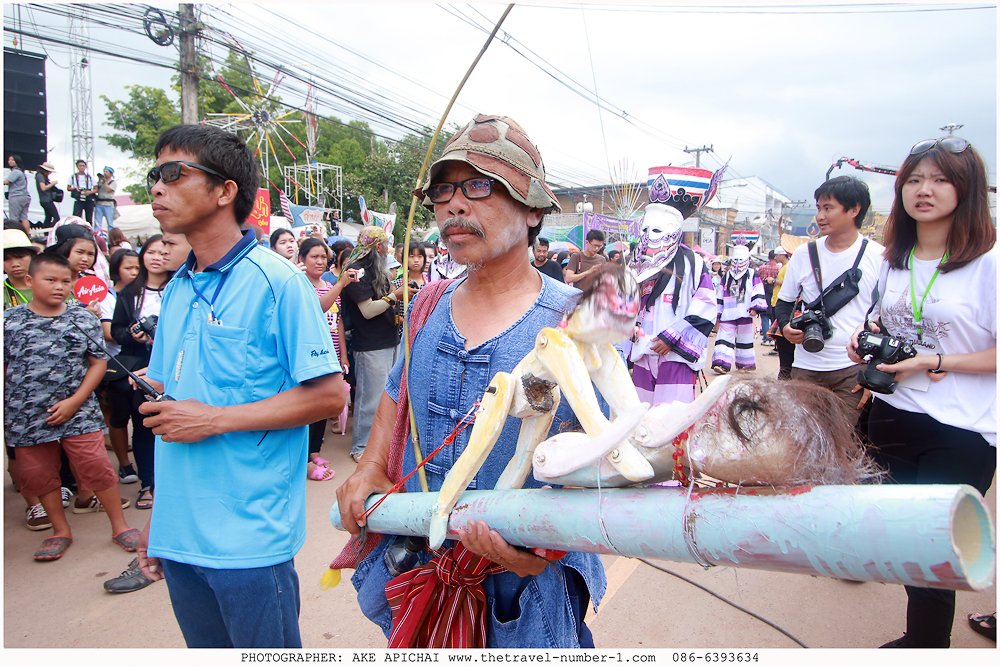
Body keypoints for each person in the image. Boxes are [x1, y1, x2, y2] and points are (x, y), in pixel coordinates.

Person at [335, 114, 605, 649]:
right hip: (421, 569)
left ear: (533, 210)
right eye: (443, 191)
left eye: (480, 186)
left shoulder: (577, 321)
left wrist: (540, 549)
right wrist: (369, 466)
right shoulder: (427, 303)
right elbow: (396, 393)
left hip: (523, 592)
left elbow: (604, 455)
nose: (455, 205)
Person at [134, 124, 345, 648]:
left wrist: (213, 419)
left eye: (173, 173)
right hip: (180, 535)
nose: (157, 187)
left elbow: (329, 395)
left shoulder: (280, 282)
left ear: (225, 190)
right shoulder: (177, 288)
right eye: (154, 175)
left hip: (250, 538)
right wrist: (160, 522)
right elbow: (168, 408)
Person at [846, 137, 996, 649]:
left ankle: (928, 645)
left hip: (960, 429)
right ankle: (922, 638)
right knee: (905, 539)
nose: (923, 190)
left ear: (967, 189)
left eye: (939, 179)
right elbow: (884, 324)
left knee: (935, 547)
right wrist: (863, 340)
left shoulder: (989, 264)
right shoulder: (894, 261)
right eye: (913, 180)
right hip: (892, 414)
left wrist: (935, 360)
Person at [4, 252, 139, 561]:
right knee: (39, 474)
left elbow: (98, 363)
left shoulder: (82, 318)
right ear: (30, 280)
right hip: (26, 415)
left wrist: (75, 401)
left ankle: (119, 526)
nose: (59, 287)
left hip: (79, 412)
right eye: (50, 280)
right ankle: (60, 530)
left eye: (66, 281)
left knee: (96, 466)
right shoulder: (9, 321)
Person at [776, 175, 884, 423]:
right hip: (806, 367)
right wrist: (786, 327)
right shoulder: (804, 253)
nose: (820, 216)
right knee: (803, 438)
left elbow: (885, 317)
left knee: (844, 438)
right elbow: (783, 303)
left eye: (828, 208)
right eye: (818, 208)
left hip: (853, 370)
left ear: (854, 210)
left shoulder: (879, 257)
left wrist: (873, 372)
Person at [626, 191, 718, 405]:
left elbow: (706, 305)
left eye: (657, 230)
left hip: (676, 355)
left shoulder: (693, 263)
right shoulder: (636, 263)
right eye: (646, 230)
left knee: (672, 414)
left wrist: (672, 338)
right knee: (641, 412)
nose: (650, 235)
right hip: (642, 352)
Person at [111, 235, 172, 510]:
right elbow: (116, 330)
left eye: (163, 251)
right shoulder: (129, 292)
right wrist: (132, 335)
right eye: (151, 252)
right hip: (139, 367)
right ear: (142, 255)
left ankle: (170, 484)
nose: (157, 257)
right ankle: (148, 483)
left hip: (174, 366)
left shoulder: (181, 286)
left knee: (172, 424)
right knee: (144, 426)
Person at [341, 226, 406, 463]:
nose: (388, 248)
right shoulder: (356, 271)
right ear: (378, 246)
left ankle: (381, 444)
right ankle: (360, 446)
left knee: (387, 397)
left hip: (390, 339)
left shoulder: (378, 270)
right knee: (370, 399)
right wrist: (395, 295)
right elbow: (367, 310)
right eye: (386, 244)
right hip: (370, 345)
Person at [299, 237, 357, 481]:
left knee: (322, 407)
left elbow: (338, 323)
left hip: (330, 356)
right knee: (307, 407)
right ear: (301, 259)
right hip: (309, 357)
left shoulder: (329, 285)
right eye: (314, 256)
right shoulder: (299, 284)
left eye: (323, 256)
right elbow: (317, 308)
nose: (320, 261)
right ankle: (303, 457)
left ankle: (314, 451)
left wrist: (342, 355)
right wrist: (341, 284)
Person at [711, 243, 767, 373]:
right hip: (728, 312)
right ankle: (721, 363)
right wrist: (719, 311)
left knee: (744, 338)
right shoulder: (727, 275)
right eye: (735, 260)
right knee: (724, 337)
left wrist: (755, 307)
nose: (738, 263)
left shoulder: (752, 274)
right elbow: (720, 293)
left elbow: (758, 289)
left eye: (741, 259)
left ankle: (744, 364)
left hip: (745, 311)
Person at [757, 250, 781, 345]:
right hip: (775, 294)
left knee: (764, 317)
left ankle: (766, 339)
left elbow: (758, 280)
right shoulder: (779, 269)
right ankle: (773, 338)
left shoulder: (762, 269)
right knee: (774, 317)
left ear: (768, 257)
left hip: (764, 294)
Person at [4, 155, 32, 234]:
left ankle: (14, 235)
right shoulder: (22, 172)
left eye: (12, 160)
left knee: (14, 218)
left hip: (16, 196)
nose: (9, 161)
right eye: (9, 160)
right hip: (25, 196)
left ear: (17, 161)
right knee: (24, 217)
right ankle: (26, 234)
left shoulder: (15, 172)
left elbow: (6, 182)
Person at [35, 161, 61, 228]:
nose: (49, 173)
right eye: (48, 172)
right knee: (56, 218)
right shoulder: (40, 176)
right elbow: (43, 188)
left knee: (48, 217)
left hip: (45, 200)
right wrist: (53, 183)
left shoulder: (41, 176)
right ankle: (51, 229)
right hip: (46, 200)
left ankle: (46, 231)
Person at [93, 167, 117, 234]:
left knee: (110, 224)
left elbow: (108, 189)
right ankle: (97, 236)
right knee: (97, 223)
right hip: (99, 203)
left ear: (111, 174)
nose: (105, 173)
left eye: (106, 172)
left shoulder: (113, 182)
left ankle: (110, 238)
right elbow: (96, 190)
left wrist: (104, 181)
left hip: (108, 204)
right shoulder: (101, 182)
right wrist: (99, 180)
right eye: (104, 171)